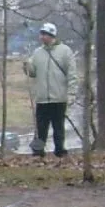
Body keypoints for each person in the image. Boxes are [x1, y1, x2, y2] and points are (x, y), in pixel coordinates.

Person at [23, 22, 77, 157]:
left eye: (44, 34)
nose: (41, 37)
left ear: (51, 35)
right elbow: (33, 73)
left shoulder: (65, 51)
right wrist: (26, 66)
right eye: (41, 34)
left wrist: (71, 94)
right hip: (42, 98)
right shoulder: (37, 53)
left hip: (58, 97)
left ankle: (60, 151)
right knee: (41, 128)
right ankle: (38, 152)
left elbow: (72, 75)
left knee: (58, 127)